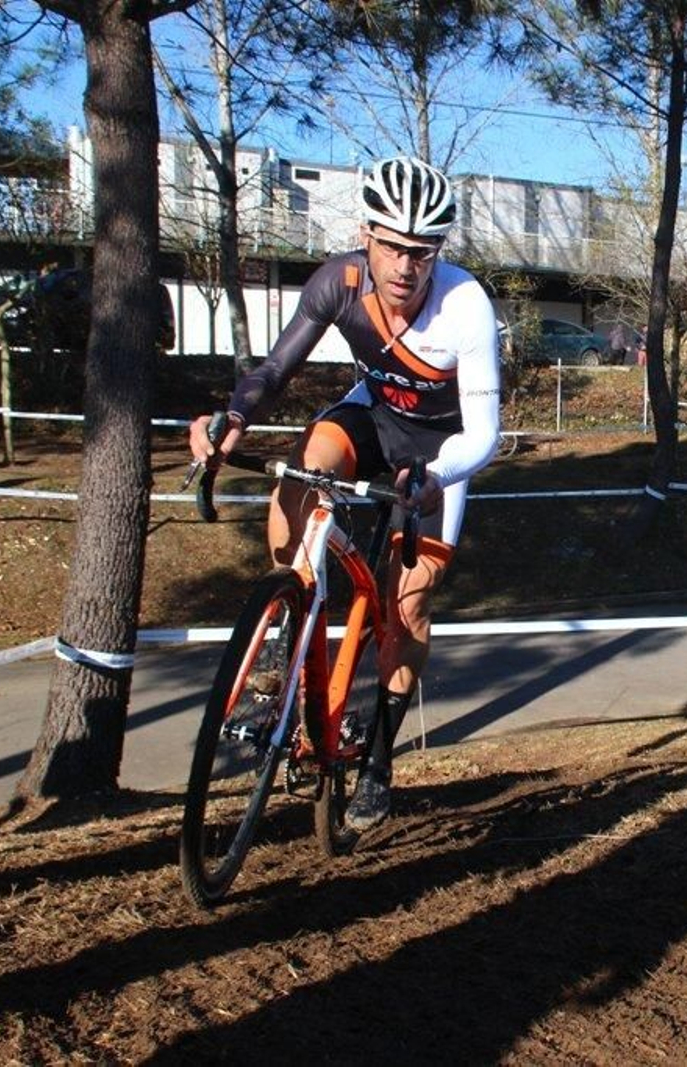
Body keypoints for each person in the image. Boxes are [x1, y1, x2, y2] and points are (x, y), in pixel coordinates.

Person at [188, 155, 502, 832]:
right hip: (372, 418)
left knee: (408, 605)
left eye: (421, 252)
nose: (403, 266)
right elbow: (275, 368)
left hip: (437, 454)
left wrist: (433, 476)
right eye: (390, 245)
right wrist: (233, 418)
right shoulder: (340, 280)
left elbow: (484, 435)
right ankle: (286, 627)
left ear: (438, 252)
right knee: (305, 467)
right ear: (366, 234)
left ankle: (379, 764)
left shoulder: (466, 304)